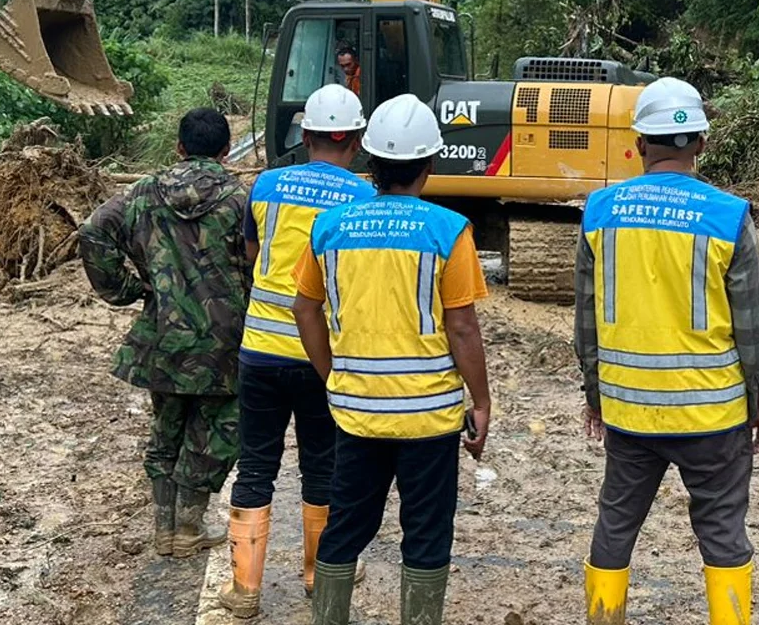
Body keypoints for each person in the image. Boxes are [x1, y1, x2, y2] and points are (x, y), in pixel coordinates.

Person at [576, 77, 759, 625]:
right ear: (701, 144)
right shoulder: (728, 214)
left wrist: (595, 394)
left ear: (639, 143)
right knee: (722, 531)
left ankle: (603, 618)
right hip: (712, 414)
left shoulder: (598, 211)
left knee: (616, 523)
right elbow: (754, 326)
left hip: (630, 411)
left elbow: (586, 321)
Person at [291, 94, 491, 625]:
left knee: (346, 526)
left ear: (369, 161)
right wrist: (483, 401)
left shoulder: (329, 227)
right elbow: (462, 327)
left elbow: (304, 309)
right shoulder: (449, 230)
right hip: (428, 417)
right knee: (426, 533)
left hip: (357, 413)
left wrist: (333, 375)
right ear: (429, 164)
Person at [218, 85, 375, 618]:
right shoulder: (363, 199)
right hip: (321, 354)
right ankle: (315, 577)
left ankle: (244, 591)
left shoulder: (265, 185)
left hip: (260, 350)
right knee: (322, 468)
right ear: (355, 140)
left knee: (257, 465)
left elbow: (253, 254)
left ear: (303, 135)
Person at [79, 107, 249, 558]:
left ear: (178, 148)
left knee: (168, 424)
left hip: (162, 335)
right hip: (225, 340)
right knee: (218, 430)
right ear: (226, 151)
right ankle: (189, 526)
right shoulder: (242, 200)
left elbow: (93, 231)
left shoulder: (141, 195)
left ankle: (164, 529)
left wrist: (126, 289)